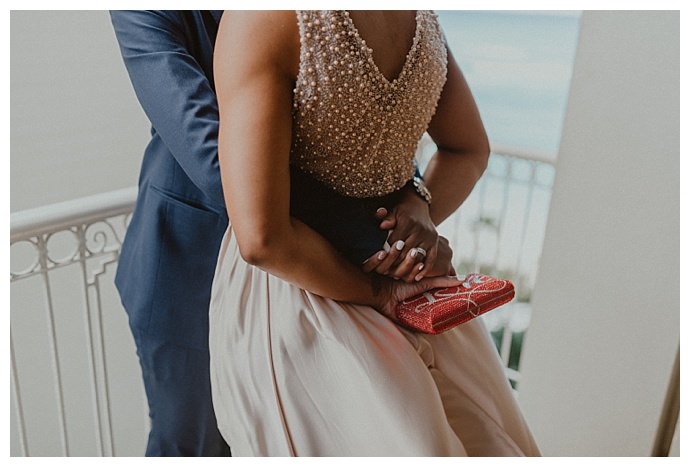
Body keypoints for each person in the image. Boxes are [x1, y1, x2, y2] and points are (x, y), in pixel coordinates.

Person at [110, 10, 446, 456]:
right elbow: (210, 154)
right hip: (189, 266)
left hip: (316, 267)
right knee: (194, 443)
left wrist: (413, 194)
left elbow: (360, 112)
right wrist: (374, 231)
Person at [209, 10, 541, 456]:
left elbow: (262, 240)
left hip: (302, 293)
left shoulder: (263, 17)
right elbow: (469, 150)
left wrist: (380, 291)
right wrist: (416, 212)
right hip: (414, 283)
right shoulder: (421, 18)